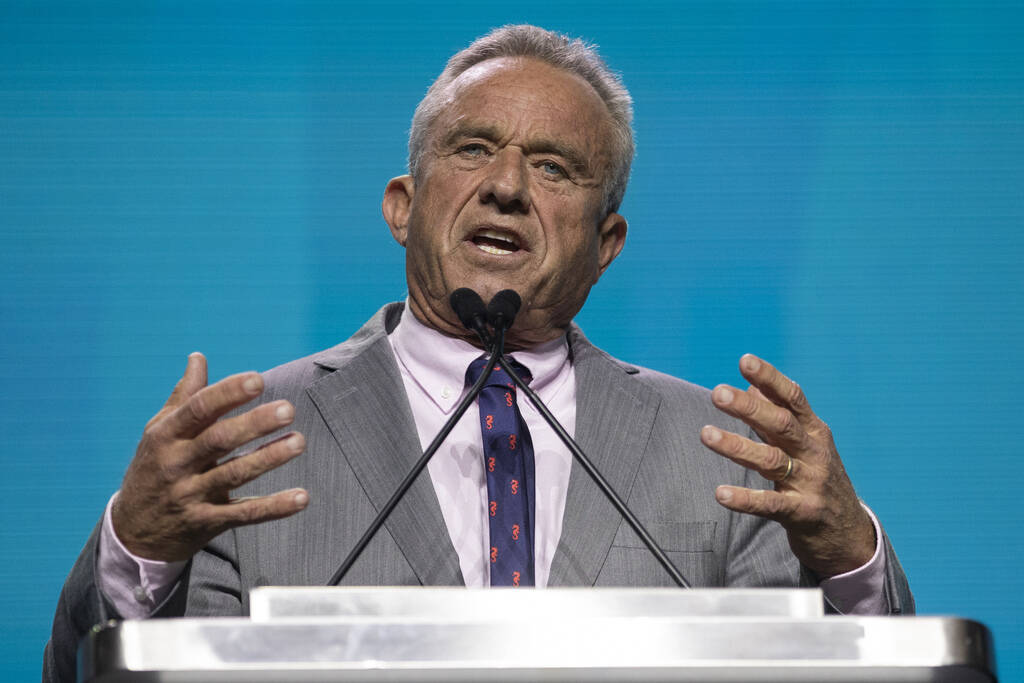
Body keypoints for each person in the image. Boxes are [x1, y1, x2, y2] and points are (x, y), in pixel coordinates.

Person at [44, 24, 912, 682]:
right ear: (402, 206)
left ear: (606, 242)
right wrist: (138, 548)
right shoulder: (246, 444)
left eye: (554, 167)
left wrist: (849, 556)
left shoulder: (723, 451)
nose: (505, 185)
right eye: (472, 150)